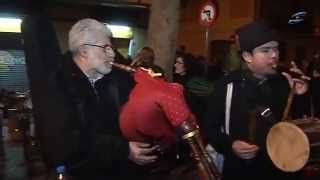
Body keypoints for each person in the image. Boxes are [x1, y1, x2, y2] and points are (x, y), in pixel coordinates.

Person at [51, 18, 158, 180]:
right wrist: (124, 150)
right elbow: (68, 142)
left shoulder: (117, 78)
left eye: (112, 47)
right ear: (84, 51)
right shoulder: (59, 85)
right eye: (105, 48)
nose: (113, 54)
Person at [203, 21, 309, 180]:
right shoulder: (226, 85)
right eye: (265, 50)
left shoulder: (285, 82)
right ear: (247, 56)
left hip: (280, 170)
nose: (274, 55)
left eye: (276, 48)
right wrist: (230, 145)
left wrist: (302, 95)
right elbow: (209, 127)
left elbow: (299, 125)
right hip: (239, 171)